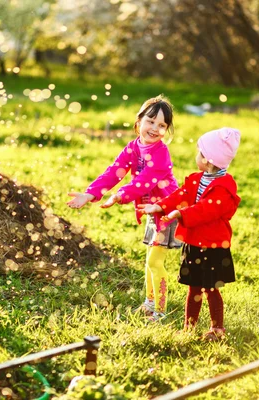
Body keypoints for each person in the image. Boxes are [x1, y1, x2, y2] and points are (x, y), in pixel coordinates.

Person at [67, 95, 181, 322]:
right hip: (152, 213)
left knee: (154, 262)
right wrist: (91, 193)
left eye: (162, 126)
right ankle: (150, 304)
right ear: (138, 121)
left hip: (166, 212)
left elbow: (144, 182)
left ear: (166, 130)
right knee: (150, 260)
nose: (155, 129)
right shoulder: (133, 148)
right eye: (150, 121)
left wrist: (119, 197)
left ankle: (159, 311)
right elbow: (114, 172)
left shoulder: (161, 153)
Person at [137, 127, 241, 340]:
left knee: (211, 289)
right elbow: (179, 195)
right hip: (194, 243)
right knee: (193, 288)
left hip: (213, 247)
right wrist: (161, 206)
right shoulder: (196, 179)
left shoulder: (224, 187)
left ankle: (217, 329)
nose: (197, 156)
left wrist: (180, 214)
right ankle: (189, 328)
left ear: (209, 159)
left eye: (200, 152)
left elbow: (206, 209)